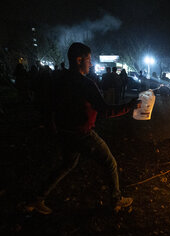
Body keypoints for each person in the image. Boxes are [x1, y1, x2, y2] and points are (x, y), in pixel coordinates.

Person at [25, 42, 140, 215]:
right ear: (79, 60)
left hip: (65, 132)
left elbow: (48, 104)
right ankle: (116, 200)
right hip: (81, 134)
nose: (91, 63)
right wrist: (129, 106)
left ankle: (36, 199)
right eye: (89, 59)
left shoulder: (58, 79)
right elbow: (105, 110)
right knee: (110, 162)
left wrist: (51, 124)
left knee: (67, 165)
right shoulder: (85, 84)